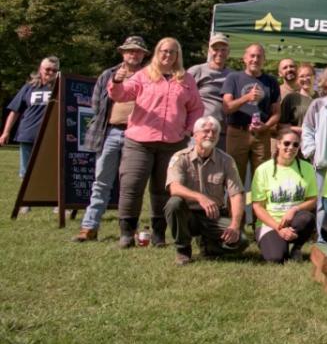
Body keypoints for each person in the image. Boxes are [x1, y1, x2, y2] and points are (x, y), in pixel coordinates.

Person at [108, 38, 204, 248]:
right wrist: (116, 81)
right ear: (156, 52)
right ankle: (127, 233)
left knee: (162, 190)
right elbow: (120, 95)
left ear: (177, 55)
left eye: (172, 52)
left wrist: (188, 129)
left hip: (173, 142)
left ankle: (158, 234)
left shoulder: (186, 79)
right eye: (163, 51)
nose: (167, 55)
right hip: (139, 141)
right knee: (131, 186)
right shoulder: (142, 75)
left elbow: (196, 107)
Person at [77, 37, 149, 241]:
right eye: (129, 51)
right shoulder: (109, 74)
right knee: (101, 181)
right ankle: (89, 227)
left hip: (138, 134)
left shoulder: (149, 76)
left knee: (132, 184)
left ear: (144, 54)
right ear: (122, 53)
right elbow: (96, 104)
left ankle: (128, 229)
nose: (133, 54)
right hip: (110, 132)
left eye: (137, 51)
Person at [164, 116, 247, 265]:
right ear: (195, 135)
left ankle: (209, 245)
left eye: (214, 131)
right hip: (188, 215)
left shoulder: (226, 160)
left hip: (213, 216)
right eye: (206, 131)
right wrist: (200, 197)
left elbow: (236, 194)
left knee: (241, 242)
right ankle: (183, 250)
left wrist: (234, 226)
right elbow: (174, 187)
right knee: (174, 203)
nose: (210, 135)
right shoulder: (180, 157)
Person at [249, 131, 318, 263]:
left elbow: (313, 200)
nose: (291, 147)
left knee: (307, 218)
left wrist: (294, 209)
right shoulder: (263, 170)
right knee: (276, 258)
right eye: (286, 143)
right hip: (270, 224)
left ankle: (296, 247)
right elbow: (257, 207)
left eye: (295, 145)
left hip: (294, 221)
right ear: (278, 144)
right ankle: (282, 244)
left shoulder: (308, 168)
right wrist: (278, 228)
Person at [221, 43, 281, 185]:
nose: (255, 59)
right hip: (237, 133)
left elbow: (277, 113)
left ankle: (258, 208)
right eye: (252, 56)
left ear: (264, 60)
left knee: (261, 179)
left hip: (261, 135)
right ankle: (234, 208)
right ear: (245, 58)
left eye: (259, 56)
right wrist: (247, 98)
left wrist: (265, 127)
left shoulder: (271, 82)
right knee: (234, 178)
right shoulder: (233, 78)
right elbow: (227, 107)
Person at [1, 56, 60, 182]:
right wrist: (6, 132)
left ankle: (48, 200)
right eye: (48, 69)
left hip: (51, 137)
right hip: (28, 134)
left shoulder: (60, 88)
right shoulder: (29, 87)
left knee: (49, 172)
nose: (50, 72)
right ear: (40, 69)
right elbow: (15, 111)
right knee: (25, 173)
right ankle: (25, 202)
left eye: (54, 70)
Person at [187, 34, 231, 149]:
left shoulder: (233, 75)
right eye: (215, 49)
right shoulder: (197, 71)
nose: (219, 53)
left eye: (223, 50)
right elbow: (183, 97)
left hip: (223, 131)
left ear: (228, 52)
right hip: (199, 130)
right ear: (209, 51)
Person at [279, 63, 315, 138]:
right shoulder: (290, 98)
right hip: (296, 144)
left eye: (308, 75)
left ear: (314, 77)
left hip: (318, 144)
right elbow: (280, 126)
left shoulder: (322, 98)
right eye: (302, 76)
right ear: (297, 79)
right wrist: (302, 130)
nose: (305, 79)